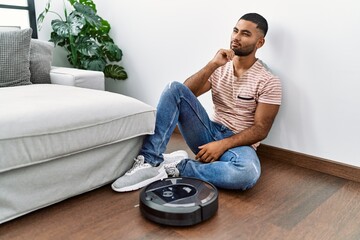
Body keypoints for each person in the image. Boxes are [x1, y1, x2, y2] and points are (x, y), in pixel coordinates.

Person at [112, 13, 282, 192]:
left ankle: (177, 167)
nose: (236, 37)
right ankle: (150, 161)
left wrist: (222, 145)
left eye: (245, 34)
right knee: (174, 87)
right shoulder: (220, 66)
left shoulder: (268, 80)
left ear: (260, 42)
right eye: (235, 31)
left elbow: (261, 129)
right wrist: (212, 65)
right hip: (208, 133)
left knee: (247, 174)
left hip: (238, 146)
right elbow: (183, 94)